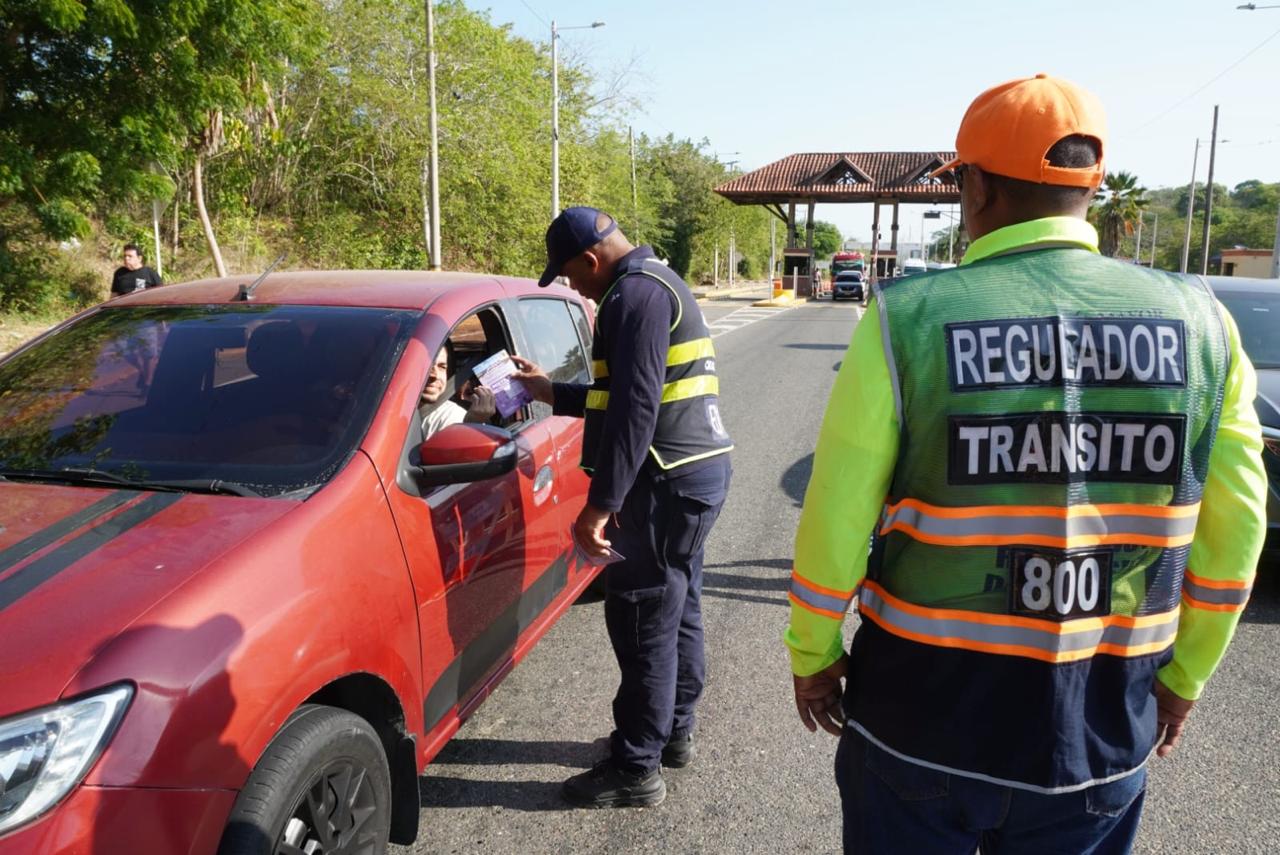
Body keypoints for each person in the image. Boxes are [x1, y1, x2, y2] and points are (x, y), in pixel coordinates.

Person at [785, 74, 1268, 854]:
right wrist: (1185, 677)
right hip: (1098, 724)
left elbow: (836, 515)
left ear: (976, 186)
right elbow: (1237, 530)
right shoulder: (1204, 323)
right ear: (1093, 189)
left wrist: (814, 653)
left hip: (919, 719)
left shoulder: (908, 318)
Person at [513, 206, 733, 809]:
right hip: (694, 474)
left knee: (641, 621)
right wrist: (549, 391)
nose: (574, 288)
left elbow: (636, 408)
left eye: (570, 275)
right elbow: (622, 394)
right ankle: (672, 733)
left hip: (663, 482)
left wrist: (600, 504)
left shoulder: (631, 296)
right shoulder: (659, 282)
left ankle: (636, 766)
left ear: (591, 259)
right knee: (676, 607)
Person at [419, 344, 495, 436]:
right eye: (425, 366)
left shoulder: (452, 417)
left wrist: (470, 425)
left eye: (442, 367)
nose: (435, 375)